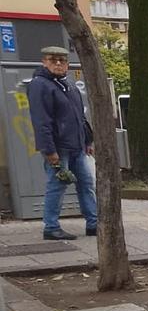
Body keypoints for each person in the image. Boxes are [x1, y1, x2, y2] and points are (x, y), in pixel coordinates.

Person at [26, 45, 97, 241]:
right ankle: (51, 227)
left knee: (86, 184)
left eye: (62, 60)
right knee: (57, 186)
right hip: (58, 148)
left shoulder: (68, 84)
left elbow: (79, 116)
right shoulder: (40, 85)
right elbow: (41, 121)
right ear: (44, 62)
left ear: (67, 64)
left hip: (77, 146)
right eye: (53, 59)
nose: (58, 63)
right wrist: (49, 150)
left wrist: (88, 139)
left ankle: (94, 223)